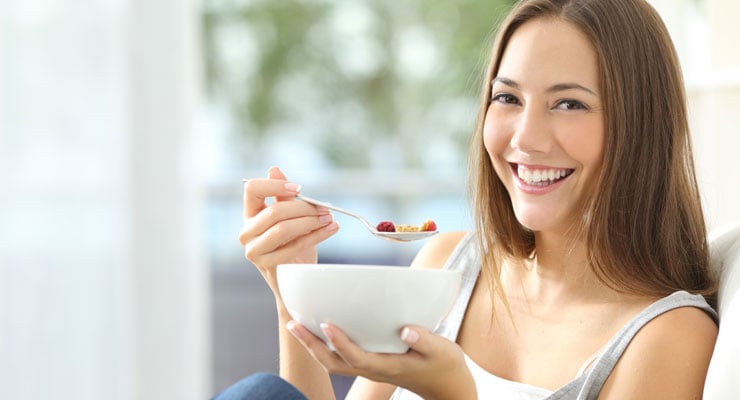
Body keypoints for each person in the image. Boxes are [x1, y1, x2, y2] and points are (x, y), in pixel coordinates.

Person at [221, 0, 719, 398]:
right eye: (508, 98)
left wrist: (453, 395)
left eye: (569, 104)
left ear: (641, 128)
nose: (527, 138)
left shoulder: (668, 336)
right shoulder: (448, 265)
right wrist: (295, 287)